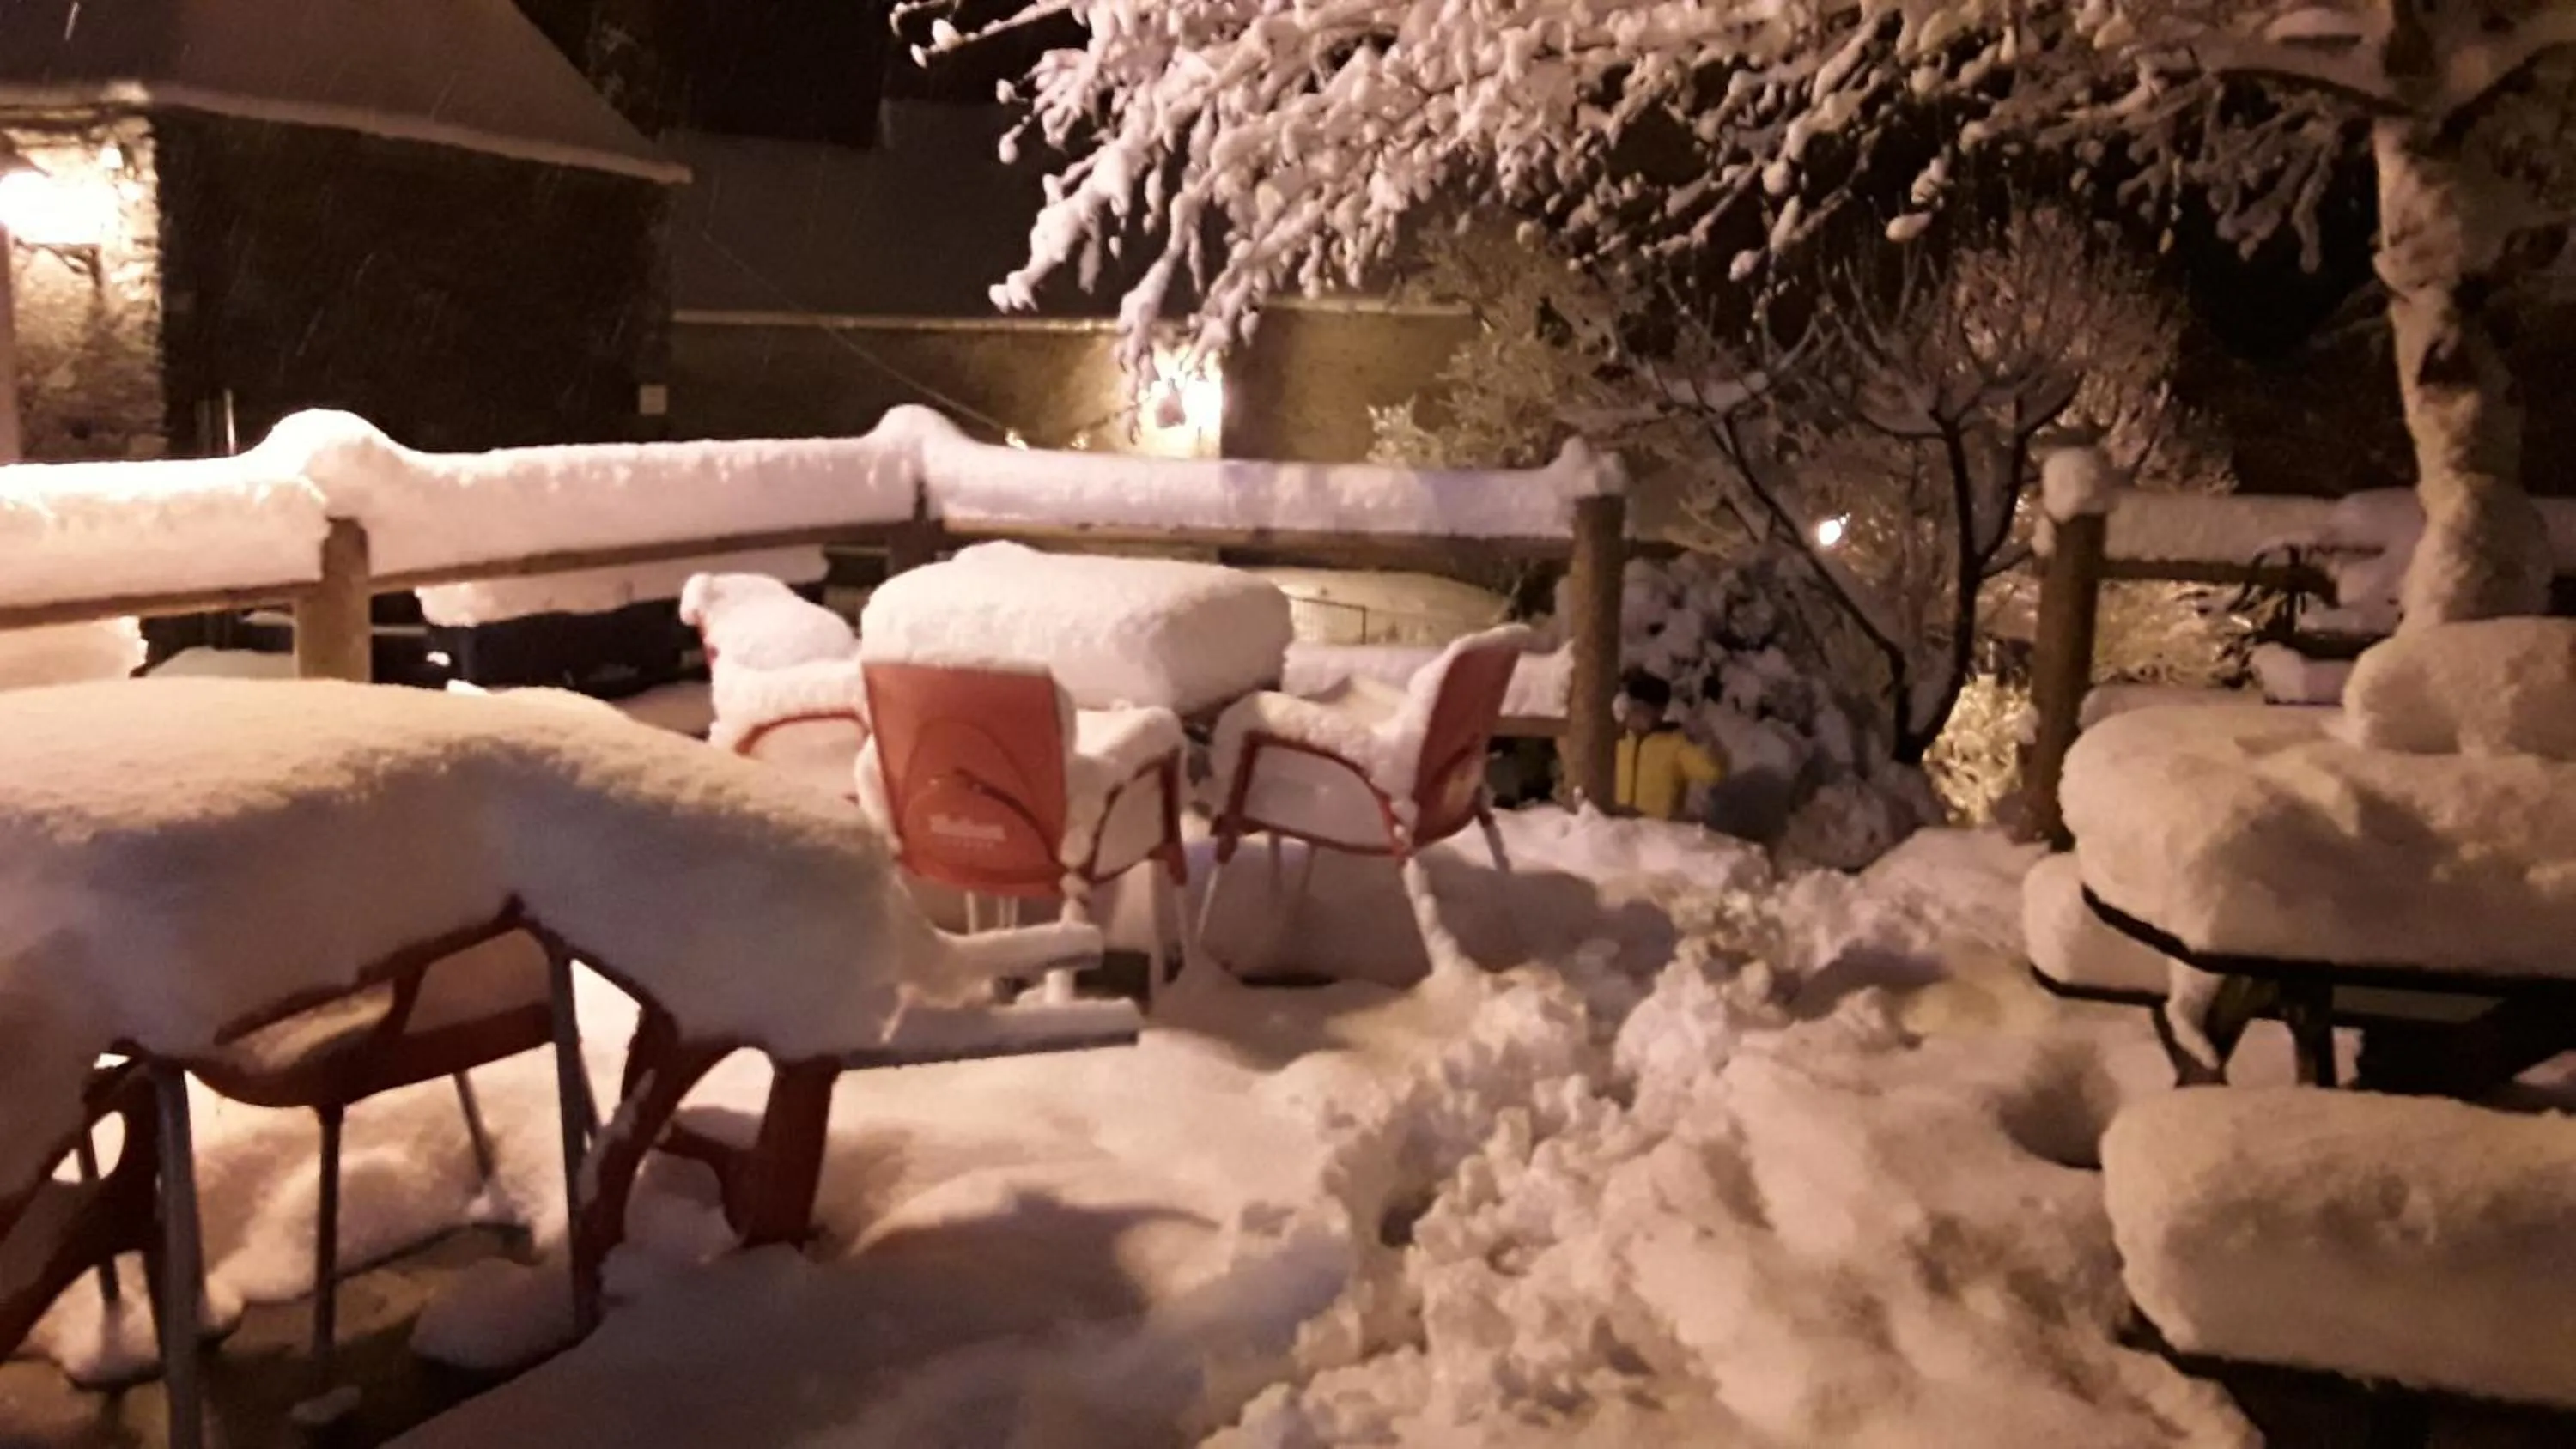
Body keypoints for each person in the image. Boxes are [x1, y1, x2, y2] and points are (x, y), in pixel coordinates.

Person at [1613, 671, 1725, 821]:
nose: (1636, 715)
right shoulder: (1617, 742)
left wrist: (1706, 741)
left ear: (1660, 712)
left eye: (1644, 709)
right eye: (1633, 708)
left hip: (1660, 835)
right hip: (1617, 834)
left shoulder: (1675, 743)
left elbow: (1713, 773)